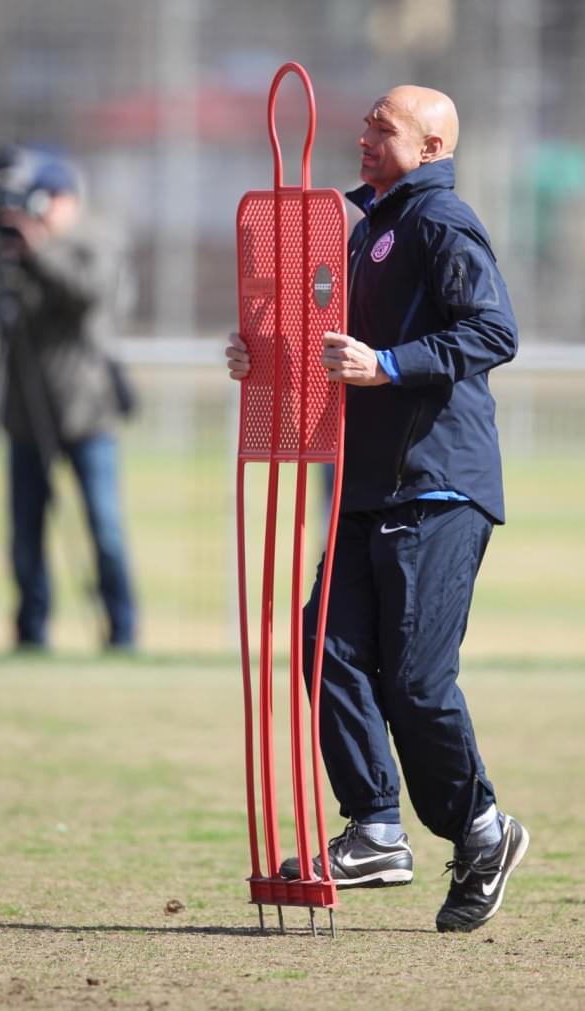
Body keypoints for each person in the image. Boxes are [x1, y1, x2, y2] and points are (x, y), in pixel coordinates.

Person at [226, 85, 529, 933]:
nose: (363, 136)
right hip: (365, 485)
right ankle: (377, 829)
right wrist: (260, 355)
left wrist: (388, 365)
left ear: (431, 147)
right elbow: (330, 349)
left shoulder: (441, 221)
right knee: (327, 643)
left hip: (437, 484)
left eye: (382, 128)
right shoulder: (362, 229)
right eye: (364, 124)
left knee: (418, 682)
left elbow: (493, 332)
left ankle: (482, 830)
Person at [0, 148, 137, 651]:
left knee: (105, 529)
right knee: (24, 535)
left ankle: (122, 633)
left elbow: (86, 293)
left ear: (68, 199)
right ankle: (30, 633)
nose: (38, 209)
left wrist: (37, 248)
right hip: (23, 420)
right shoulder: (11, 251)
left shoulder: (92, 242)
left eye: (47, 198)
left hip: (87, 413)